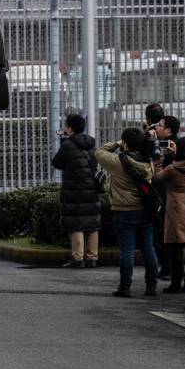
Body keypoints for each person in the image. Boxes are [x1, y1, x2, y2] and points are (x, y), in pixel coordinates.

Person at [95, 128, 158, 298]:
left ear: (126, 143)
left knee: (127, 251)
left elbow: (99, 152)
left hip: (124, 212)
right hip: (145, 210)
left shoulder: (118, 162)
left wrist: (117, 143)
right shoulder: (148, 161)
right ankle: (152, 286)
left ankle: (125, 287)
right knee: (148, 249)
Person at [154, 137, 185, 293]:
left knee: (175, 249)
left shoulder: (171, 169)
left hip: (175, 209)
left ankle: (176, 284)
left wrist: (159, 162)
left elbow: (156, 178)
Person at [51, 114, 100, 268]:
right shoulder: (92, 143)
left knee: (76, 223)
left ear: (70, 128)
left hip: (73, 189)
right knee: (92, 223)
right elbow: (94, 163)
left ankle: (77, 258)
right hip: (91, 187)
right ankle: (92, 257)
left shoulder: (67, 145)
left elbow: (57, 163)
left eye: (67, 126)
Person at [151, 115, 181, 280]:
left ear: (168, 130)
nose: (156, 127)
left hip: (166, 196)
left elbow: (159, 174)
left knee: (162, 233)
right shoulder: (174, 145)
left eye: (160, 125)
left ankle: (168, 267)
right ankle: (169, 268)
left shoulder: (170, 150)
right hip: (170, 198)